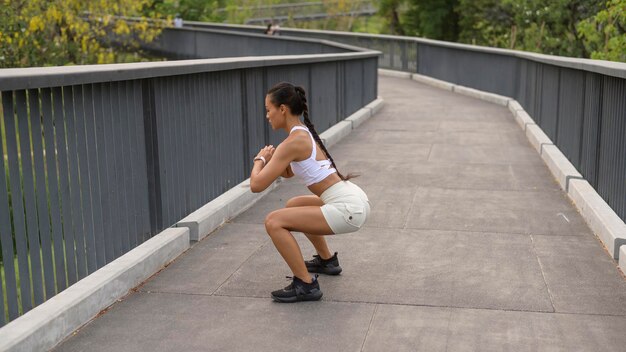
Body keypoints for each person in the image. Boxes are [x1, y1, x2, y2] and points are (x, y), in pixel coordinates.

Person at [250, 82, 371, 303]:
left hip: (347, 209)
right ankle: (327, 261)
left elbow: (256, 185)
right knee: (294, 204)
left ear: (283, 109)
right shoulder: (302, 133)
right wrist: (274, 160)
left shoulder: (293, 142)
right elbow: (288, 172)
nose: (267, 116)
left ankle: (305, 284)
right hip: (353, 198)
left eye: (269, 110)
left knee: (273, 222)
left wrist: (259, 160)